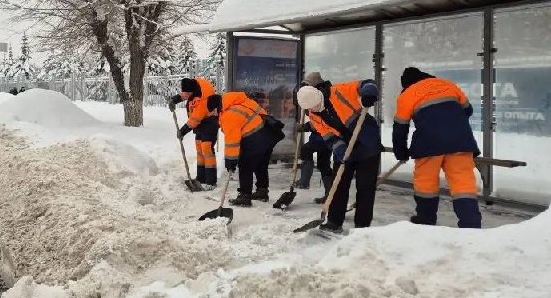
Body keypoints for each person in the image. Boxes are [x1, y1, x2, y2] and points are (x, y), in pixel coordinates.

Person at [393, 67, 482, 229]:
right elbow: (468, 110)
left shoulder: (407, 94)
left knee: (426, 184)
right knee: (463, 184)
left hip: (428, 144)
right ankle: (471, 224)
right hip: (460, 141)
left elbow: (400, 127)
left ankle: (425, 220)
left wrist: (401, 152)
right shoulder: (447, 84)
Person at [296, 75, 381, 233]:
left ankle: (362, 227)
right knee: (338, 185)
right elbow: (328, 136)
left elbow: (367, 83)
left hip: (367, 144)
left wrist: (369, 92)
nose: (314, 110)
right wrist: (340, 150)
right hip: (345, 147)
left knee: (365, 187)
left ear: (319, 97)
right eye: (310, 109)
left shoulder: (338, 91)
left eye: (315, 106)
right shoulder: (313, 115)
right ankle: (334, 222)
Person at [206, 91, 277, 206]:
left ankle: (245, 196)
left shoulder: (229, 114)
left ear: (216, 107)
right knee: (261, 165)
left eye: (213, 112)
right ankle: (262, 192)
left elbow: (232, 141)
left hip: (255, 138)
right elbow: (262, 112)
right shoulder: (239, 102)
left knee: (245, 165)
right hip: (267, 133)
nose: (214, 115)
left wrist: (230, 161)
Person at [169, 77, 219, 189]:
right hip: (200, 125)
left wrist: (183, 131)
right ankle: (201, 178)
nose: (185, 95)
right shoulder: (192, 90)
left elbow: (195, 118)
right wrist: (174, 100)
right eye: (185, 93)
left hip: (209, 123)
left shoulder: (203, 99)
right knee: (199, 148)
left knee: (206, 148)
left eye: (187, 93)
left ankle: (211, 181)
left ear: (193, 91)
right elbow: (185, 94)